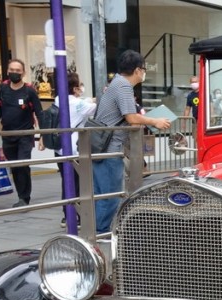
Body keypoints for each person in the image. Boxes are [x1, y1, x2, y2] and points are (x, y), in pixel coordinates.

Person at [91, 50, 172, 234]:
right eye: (144, 69)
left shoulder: (116, 83)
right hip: (109, 149)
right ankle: (102, 233)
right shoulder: (123, 86)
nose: (144, 73)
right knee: (110, 196)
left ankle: (99, 230)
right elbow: (131, 118)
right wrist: (155, 121)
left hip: (103, 147)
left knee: (103, 194)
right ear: (137, 70)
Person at [0, 58, 42, 208]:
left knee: (22, 165)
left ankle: (25, 198)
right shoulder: (2, 89)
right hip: (7, 134)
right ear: (7, 71)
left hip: (25, 134)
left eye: (17, 71)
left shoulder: (29, 91)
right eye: (12, 70)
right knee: (14, 166)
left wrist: (43, 134)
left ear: (23, 73)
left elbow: (39, 112)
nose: (14, 73)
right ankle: (21, 196)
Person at [61, 72, 96, 224]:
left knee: (66, 182)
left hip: (60, 147)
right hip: (75, 149)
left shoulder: (59, 99)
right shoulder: (77, 104)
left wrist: (88, 99)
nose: (82, 87)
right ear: (75, 89)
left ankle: (67, 214)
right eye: (80, 85)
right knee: (79, 183)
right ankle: (79, 215)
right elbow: (92, 107)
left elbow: (84, 101)